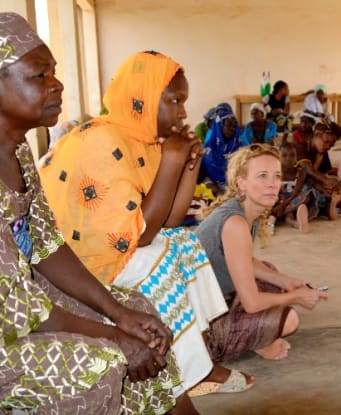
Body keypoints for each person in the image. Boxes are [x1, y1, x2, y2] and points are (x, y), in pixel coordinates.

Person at [0, 13, 196, 413]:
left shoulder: (17, 152)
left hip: (24, 306)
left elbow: (46, 247)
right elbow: (24, 312)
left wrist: (119, 314)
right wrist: (113, 335)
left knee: (138, 312)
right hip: (11, 323)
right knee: (103, 360)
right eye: (39, 75)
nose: (57, 84)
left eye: (54, 72)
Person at [39, 51, 254, 398]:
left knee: (185, 243)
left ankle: (200, 359)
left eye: (183, 101)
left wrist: (186, 166)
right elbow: (139, 237)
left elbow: (169, 220)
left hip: (120, 244)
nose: (183, 111)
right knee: (160, 262)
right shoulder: (102, 139)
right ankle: (186, 375)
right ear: (141, 99)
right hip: (82, 262)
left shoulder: (144, 141)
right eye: (174, 100)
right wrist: (172, 158)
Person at [196, 143, 328, 362]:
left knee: (271, 273)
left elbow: (244, 259)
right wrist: (297, 296)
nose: (272, 184)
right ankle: (257, 341)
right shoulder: (235, 222)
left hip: (218, 299)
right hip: (201, 328)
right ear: (242, 183)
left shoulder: (246, 210)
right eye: (262, 176)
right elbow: (252, 303)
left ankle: (257, 332)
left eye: (277, 176)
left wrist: (285, 281)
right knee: (289, 319)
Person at [269, 142, 317, 233]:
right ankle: (291, 223)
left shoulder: (300, 172)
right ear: (278, 158)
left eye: (292, 155)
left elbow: (296, 192)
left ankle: (275, 219)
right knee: (270, 201)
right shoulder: (275, 172)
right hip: (278, 200)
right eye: (284, 155)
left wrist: (283, 206)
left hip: (292, 201)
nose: (289, 159)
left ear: (296, 157)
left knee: (306, 196)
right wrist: (279, 204)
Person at [202, 105, 246, 195]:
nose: (232, 129)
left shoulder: (239, 147)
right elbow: (204, 175)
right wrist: (218, 191)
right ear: (219, 126)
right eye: (229, 125)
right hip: (212, 189)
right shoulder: (209, 148)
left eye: (234, 126)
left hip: (236, 189)